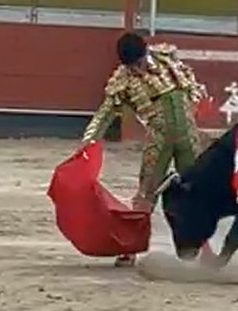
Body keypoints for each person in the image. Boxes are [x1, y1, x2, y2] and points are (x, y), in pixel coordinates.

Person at [80, 32, 207, 266]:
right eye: (132, 66)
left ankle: (204, 249)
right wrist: (88, 141)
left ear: (146, 52)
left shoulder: (166, 59)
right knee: (147, 191)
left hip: (188, 135)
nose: (137, 69)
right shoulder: (123, 79)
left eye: (138, 63)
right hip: (159, 138)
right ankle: (130, 248)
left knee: (197, 191)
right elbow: (104, 114)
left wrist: (193, 104)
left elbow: (191, 84)